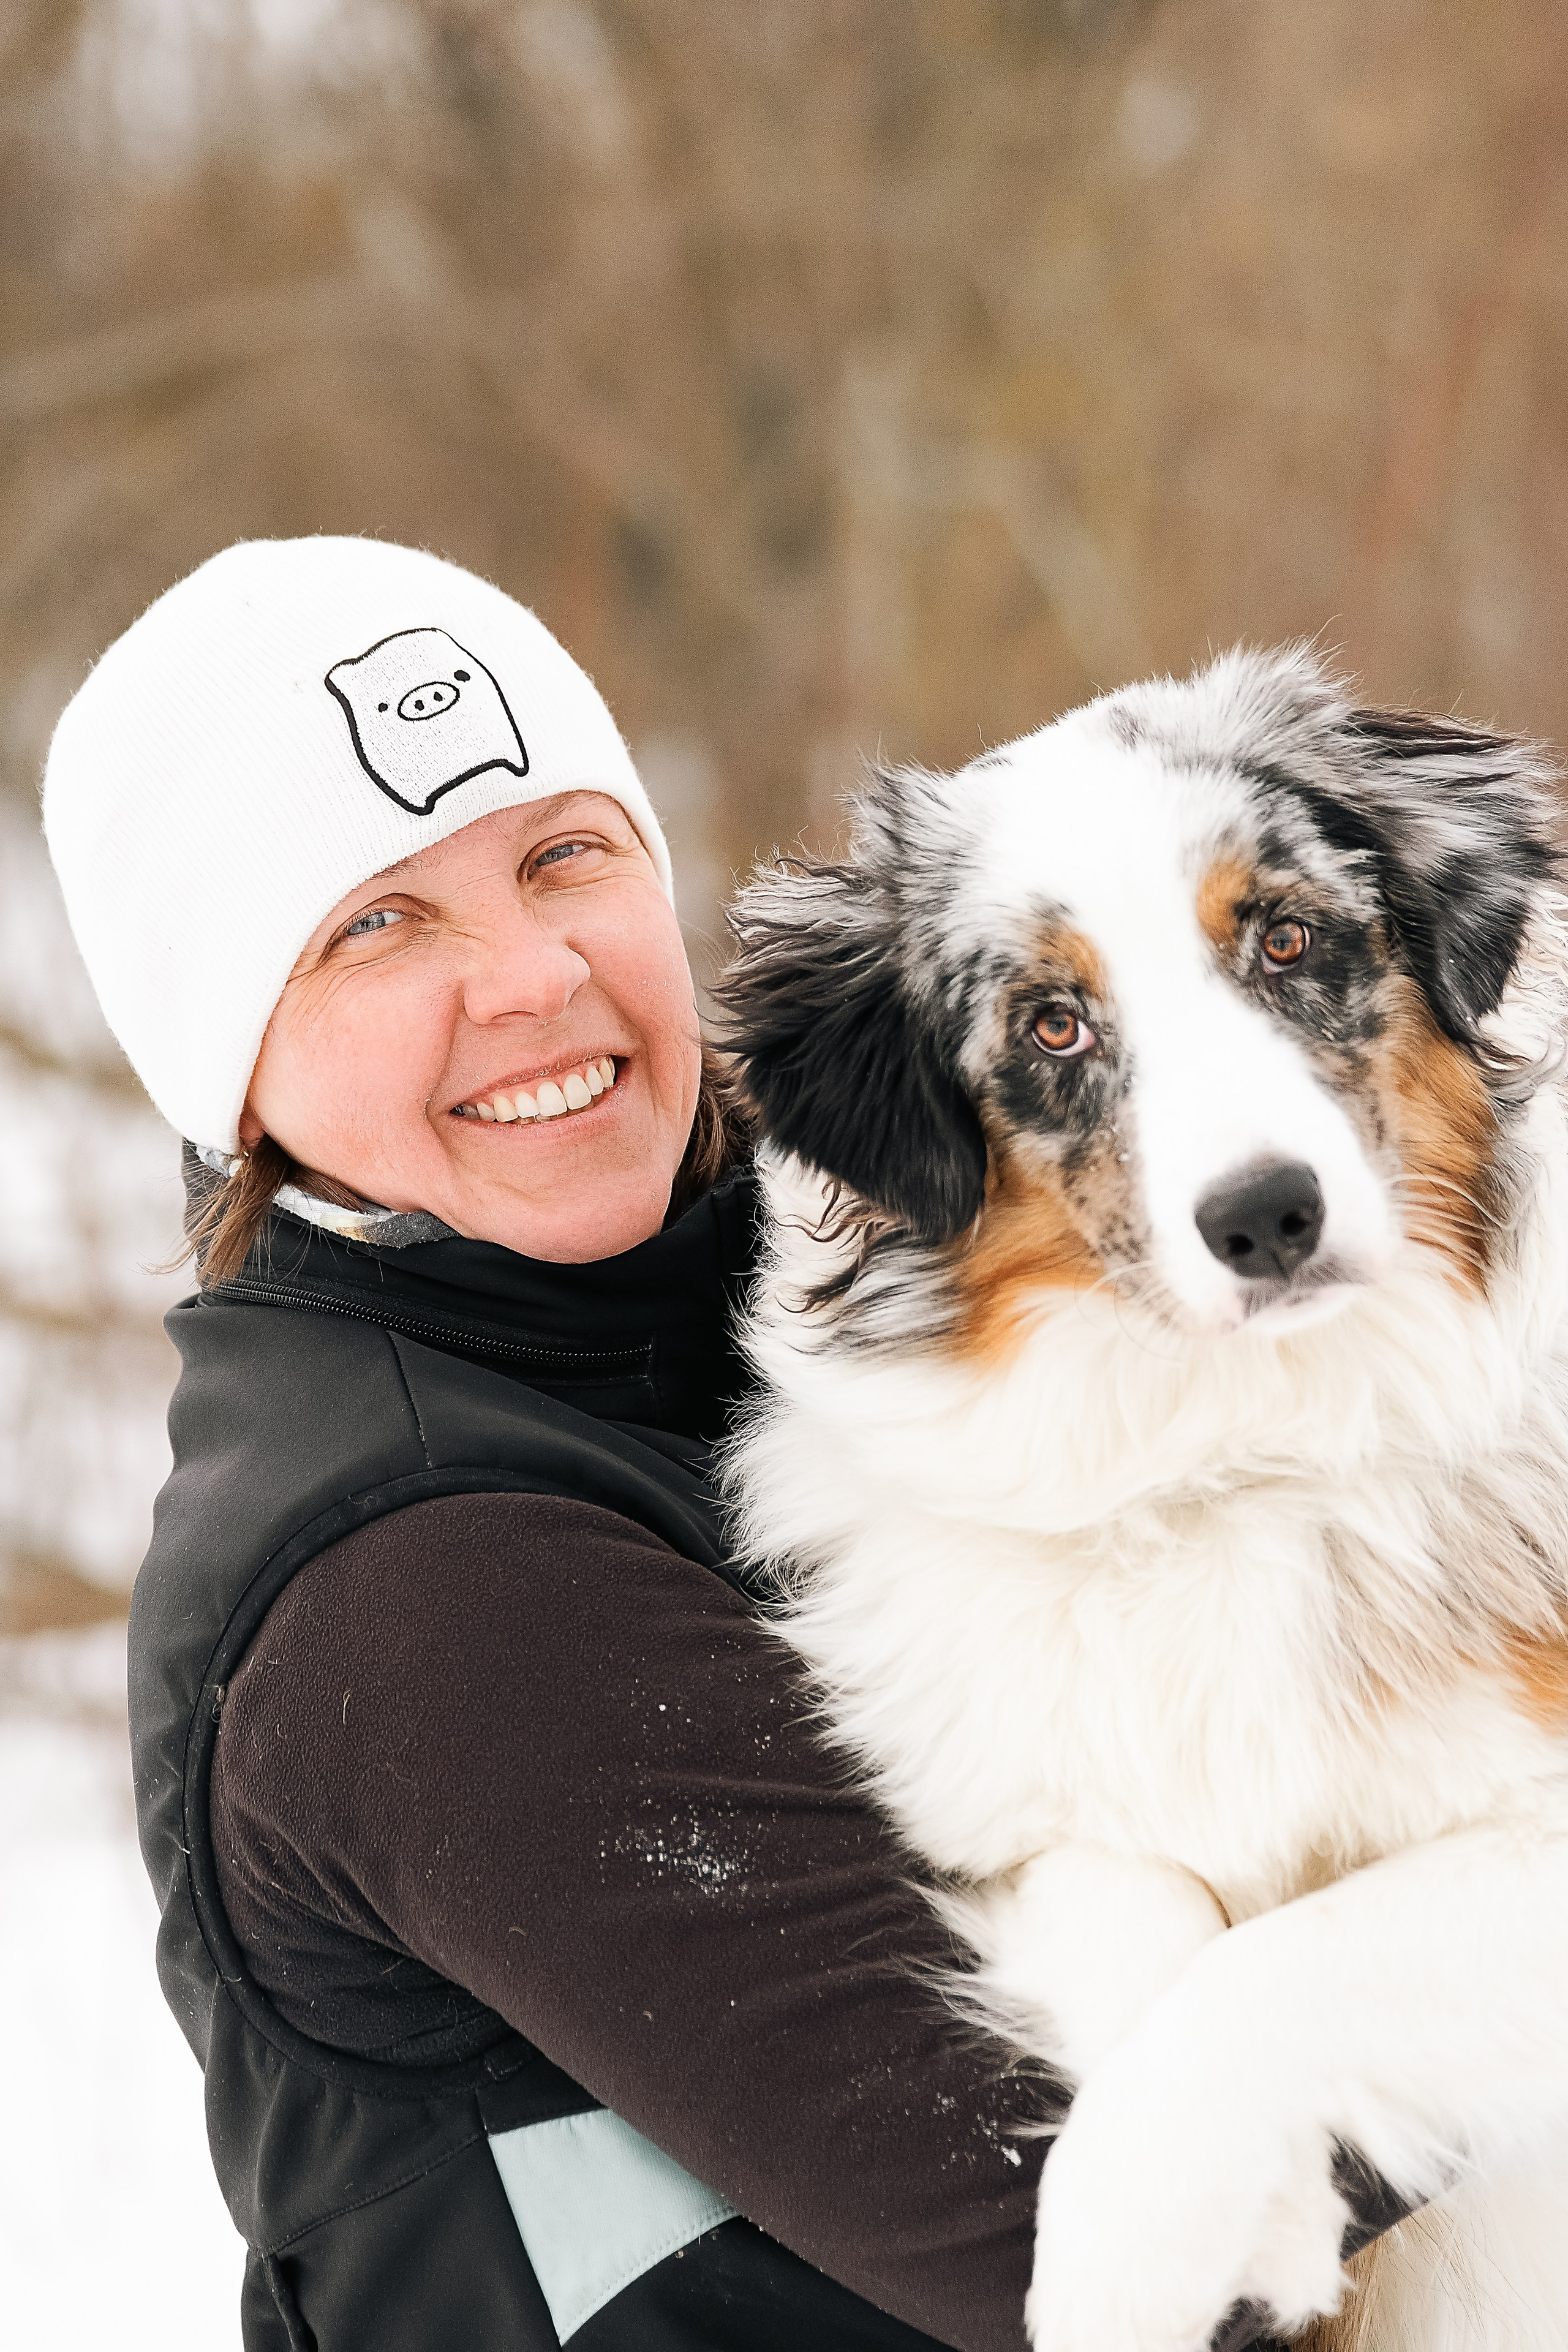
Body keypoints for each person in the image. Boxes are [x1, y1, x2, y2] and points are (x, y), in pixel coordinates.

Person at [43, 537, 1057, 2352]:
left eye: (563, 856)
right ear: (233, 1071)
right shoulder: (422, 1588)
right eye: (374, 924)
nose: (528, 979)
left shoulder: (847, 1289)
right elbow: (1104, 2235)